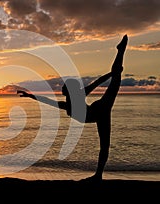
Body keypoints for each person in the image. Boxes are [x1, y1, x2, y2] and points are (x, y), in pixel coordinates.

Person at [17, 34, 128, 182]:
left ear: (69, 90)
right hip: (98, 112)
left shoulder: (77, 97)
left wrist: (112, 73)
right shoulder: (69, 103)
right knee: (115, 82)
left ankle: (120, 51)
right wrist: (29, 96)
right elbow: (47, 101)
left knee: (115, 81)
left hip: (100, 112)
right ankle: (120, 52)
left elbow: (97, 82)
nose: (61, 88)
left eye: (63, 87)